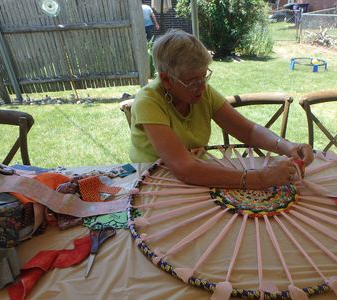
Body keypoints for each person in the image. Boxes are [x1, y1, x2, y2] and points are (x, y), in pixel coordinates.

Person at [129, 29, 314, 190]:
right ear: (167, 79)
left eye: (204, 77)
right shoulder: (148, 101)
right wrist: (259, 178)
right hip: (153, 182)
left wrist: (288, 146)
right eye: (193, 81)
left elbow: (248, 131)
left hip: (198, 175)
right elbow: (184, 168)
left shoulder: (202, 93)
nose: (202, 88)